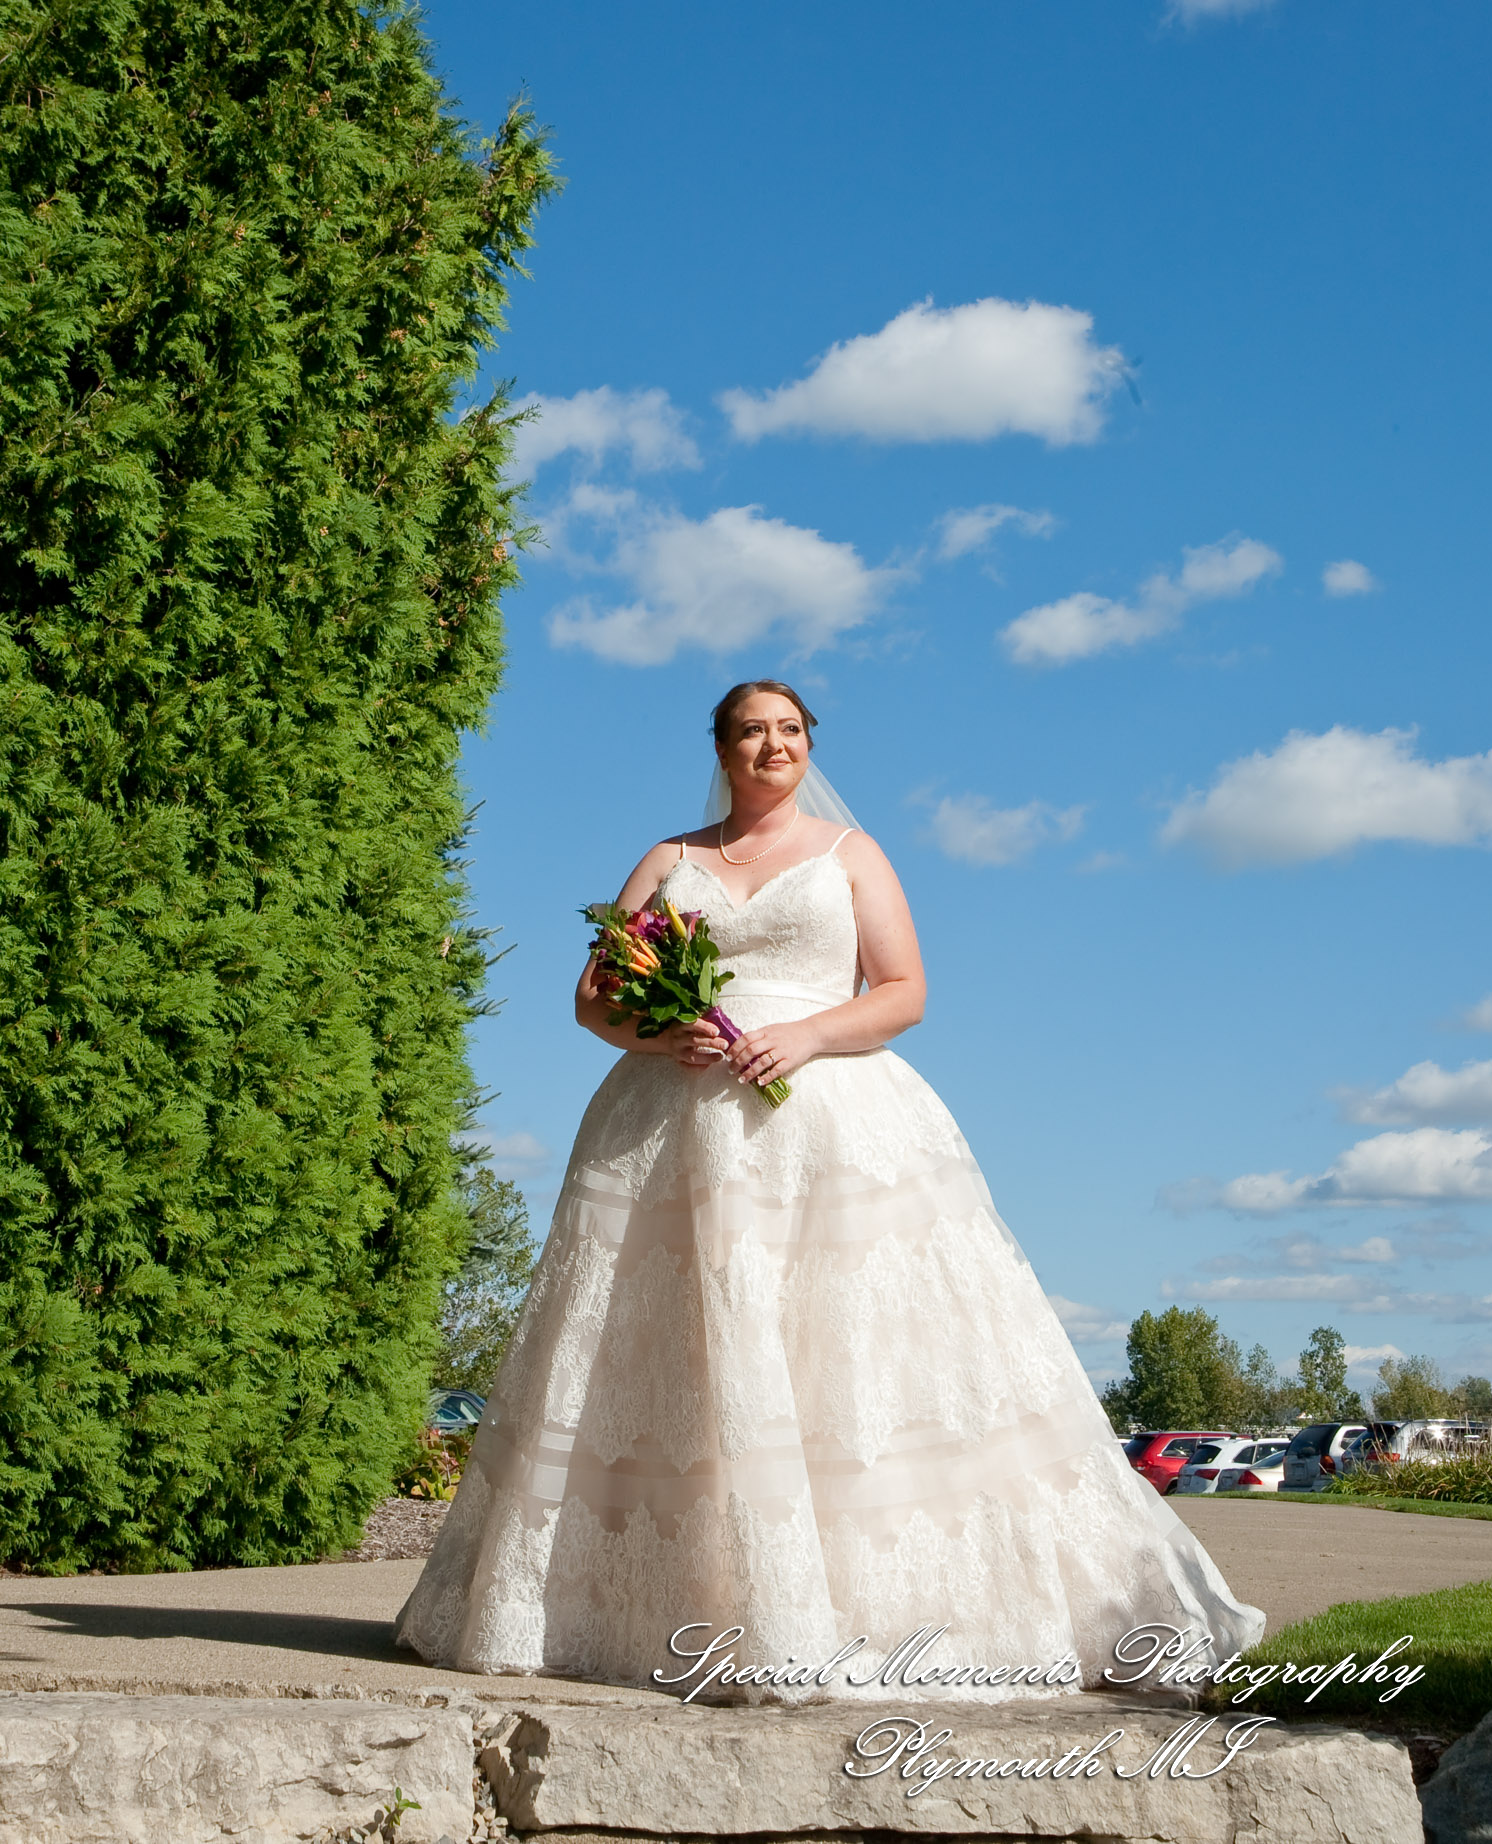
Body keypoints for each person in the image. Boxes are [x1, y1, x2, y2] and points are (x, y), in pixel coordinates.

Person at [395, 680, 1264, 1688]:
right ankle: (662, 1611)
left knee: (835, 1349)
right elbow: (593, 995)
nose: (774, 744)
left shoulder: (851, 855)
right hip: (668, 1130)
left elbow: (904, 991)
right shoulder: (669, 860)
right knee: (677, 1356)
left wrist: (806, 1032)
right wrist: (653, 1028)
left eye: (791, 730)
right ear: (720, 747)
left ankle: (859, 1610)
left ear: (810, 746)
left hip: (832, 1124)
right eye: (754, 730)